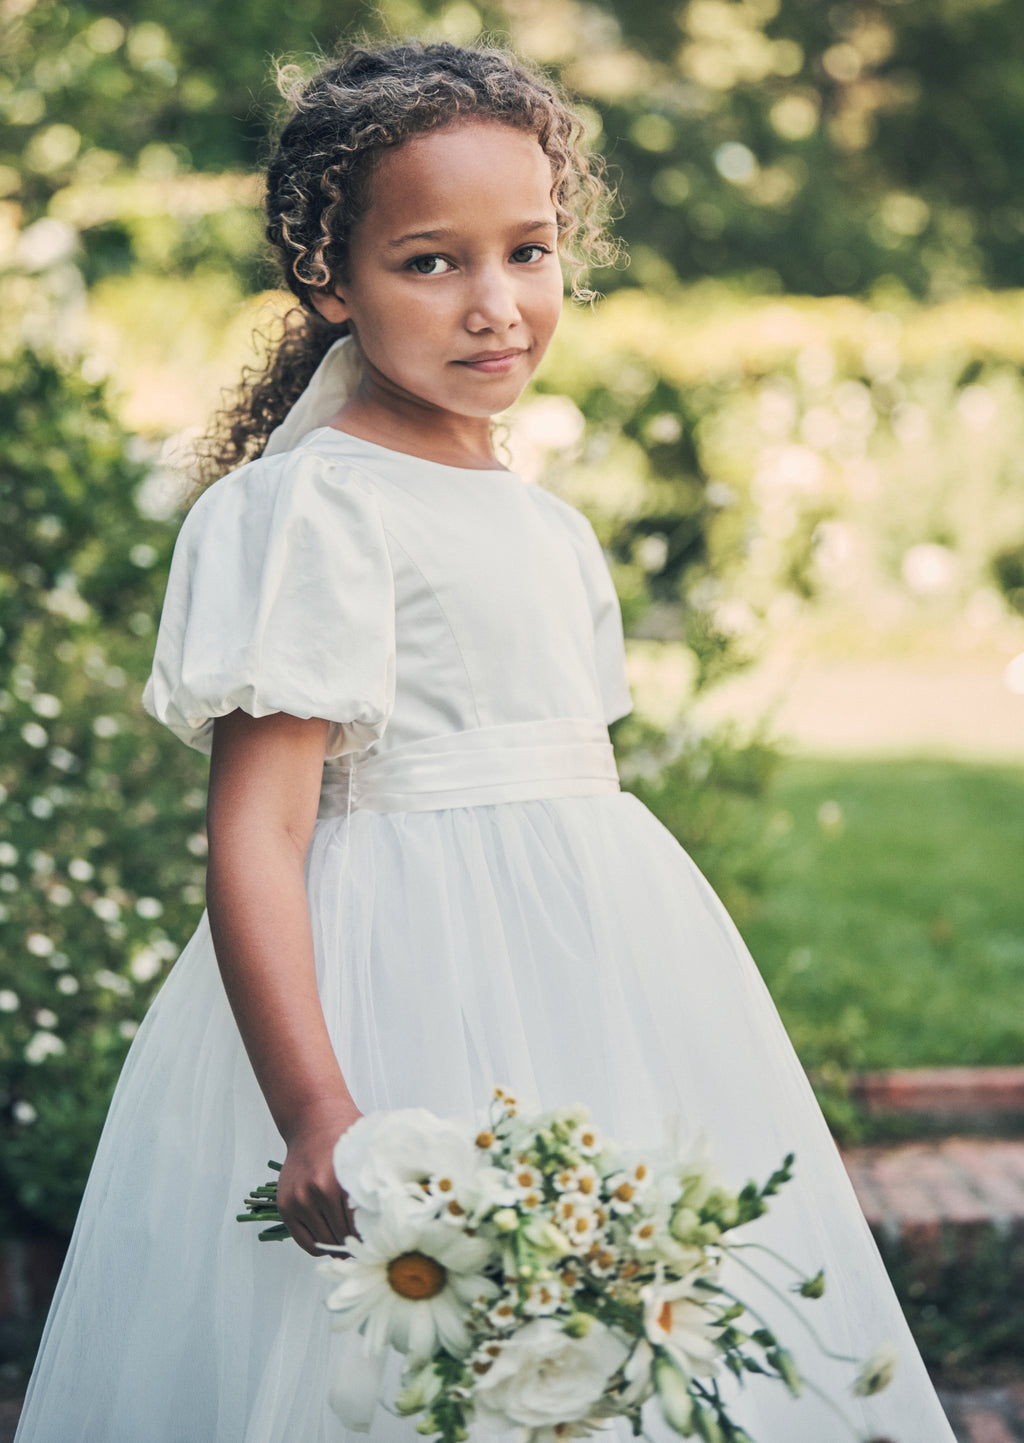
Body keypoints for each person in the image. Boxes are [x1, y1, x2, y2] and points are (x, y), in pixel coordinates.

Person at [15, 38, 956, 1443]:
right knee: (406, 1351)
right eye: (432, 262)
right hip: (395, 986)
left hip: (596, 975)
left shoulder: (544, 521)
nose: (496, 305)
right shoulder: (315, 509)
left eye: (529, 251)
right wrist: (320, 1107)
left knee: (615, 1330)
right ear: (329, 278)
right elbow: (260, 828)